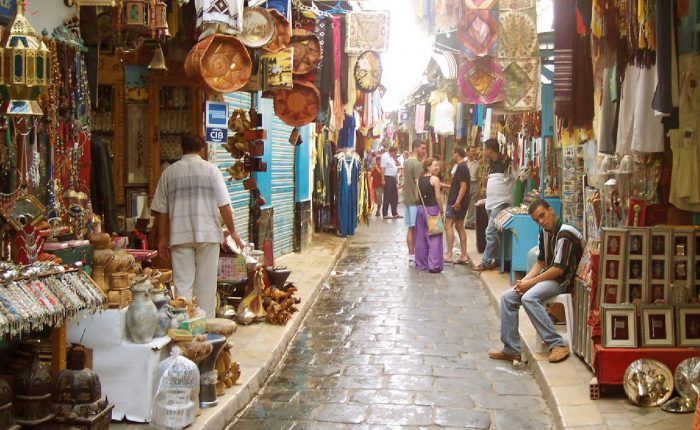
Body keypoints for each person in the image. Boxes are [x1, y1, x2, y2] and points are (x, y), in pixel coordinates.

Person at [151, 134, 245, 318]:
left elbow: (161, 211)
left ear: (182, 149)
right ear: (202, 149)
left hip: (180, 235)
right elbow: (224, 205)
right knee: (206, 286)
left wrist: (162, 238)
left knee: (183, 285)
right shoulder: (211, 170)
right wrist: (233, 232)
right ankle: (205, 330)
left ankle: (184, 330)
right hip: (208, 235)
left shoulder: (169, 173)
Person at [488, 199, 582, 364]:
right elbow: (541, 262)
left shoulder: (566, 233)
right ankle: (511, 349)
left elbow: (558, 270)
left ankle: (557, 344)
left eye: (542, 216)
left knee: (529, 297)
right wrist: (523, 282)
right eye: (536, 220)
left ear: (551, 210)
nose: (541, 221)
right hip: (550, 278)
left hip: (564, 282)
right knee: (508, 298)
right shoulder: (545, 231)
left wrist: (530, 284)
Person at [473, 138, 515, 272]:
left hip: (501, 203)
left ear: (489, 149)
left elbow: (514, 178)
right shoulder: (491, 163)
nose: (484, 152)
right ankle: (497, 260)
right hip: (491, 202)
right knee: (496, 234)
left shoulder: (506, 162)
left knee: (490, 232)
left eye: (485, 149)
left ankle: (485, 261)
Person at [415, 158, 444, 273]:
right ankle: (434, 265)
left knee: (420, 238)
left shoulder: (418, 180)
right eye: (435, 165)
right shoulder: (435, 179)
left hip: (420, 210)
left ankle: (421, 264)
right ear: (428, 167)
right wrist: (441, 210)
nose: (437, 167)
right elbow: (438, 197)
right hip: (432, 210)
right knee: (435, 237)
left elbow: (417, 198)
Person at [444, 147, 470, 264]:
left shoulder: (460, 167)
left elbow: (463, 186)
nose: (452, 156)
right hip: (462, 201)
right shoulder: (464, 167)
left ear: (457, 154)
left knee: (448, 225)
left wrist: (457, 201)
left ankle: (449, 254)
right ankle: (463, 254)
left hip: (456, 201)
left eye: (453, 153)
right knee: (459, 226)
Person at [403, 141, 427, 261]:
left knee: (410, 228)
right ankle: (414, 255)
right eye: (422, 148)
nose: (424, 151)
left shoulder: (407, 162)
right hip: (414, 201)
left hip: (407, 200)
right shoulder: (417, 165)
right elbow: (419, 184)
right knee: (415, 229)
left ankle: (411, 254)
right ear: (416, 148)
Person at [380, 146, 402, 219]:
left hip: (392, 178)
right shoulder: (384, 157)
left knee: (395, 196)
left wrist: (395, 177)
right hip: (387, 177)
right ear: (392, 151)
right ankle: (385, 213)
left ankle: (394, 213)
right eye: (395, 153)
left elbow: (394, 168)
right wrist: (383, 179)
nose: (396, 154)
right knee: (387, 196)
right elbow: (382, 168)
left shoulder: (391, 158)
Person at [465, 146, 480, 229]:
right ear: (467, 152)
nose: (473, 153)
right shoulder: (463, 162)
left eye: (474, 151)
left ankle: (469, 223)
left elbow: (478, 177)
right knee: (464, 203)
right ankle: (459, 220)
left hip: (473, 183)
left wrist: (478, 188)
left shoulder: (476, 163)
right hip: (464, 184)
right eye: (471, 151)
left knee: (472, 204)